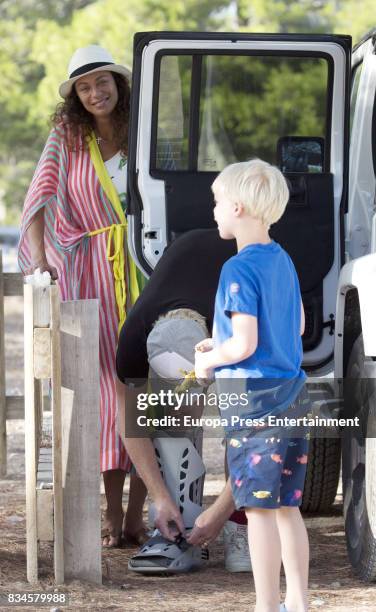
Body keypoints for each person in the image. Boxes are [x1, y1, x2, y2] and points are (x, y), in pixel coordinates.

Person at [18, 45, 148, 548]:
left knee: (142, 388)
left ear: (119, 83)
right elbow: (38, 198)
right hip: (88, 275)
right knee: (99, 396)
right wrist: (42, 260)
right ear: (75, 96)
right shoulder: (67, 137)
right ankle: (112, 513)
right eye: (84, 86)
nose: (96, 92)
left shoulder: (144, 130)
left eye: (103, 82)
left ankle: (140, 513)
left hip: (142, 269)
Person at [188, 160, 309, 612]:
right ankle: (296, 601)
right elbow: (295, 325)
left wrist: (208, 360)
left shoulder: (237, 269)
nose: (214, 211)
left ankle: (265, 604)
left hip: (253, 403)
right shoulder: (283, 259)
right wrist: (221, 343)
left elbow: (243, 343)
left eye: (217, 203)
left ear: (237, 207)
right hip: (292, 395)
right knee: (286, 507)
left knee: (256, 508)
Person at [116, 228, 251, 572]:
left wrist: (219, 515)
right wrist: (159, 495)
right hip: (187, 293)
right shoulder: (134, 338)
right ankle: (178, 525)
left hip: (241, 313)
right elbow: (130, 423)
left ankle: (241, 524)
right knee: (169, 425)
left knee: (243, 419)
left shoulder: (243, 319)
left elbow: (261, 436)